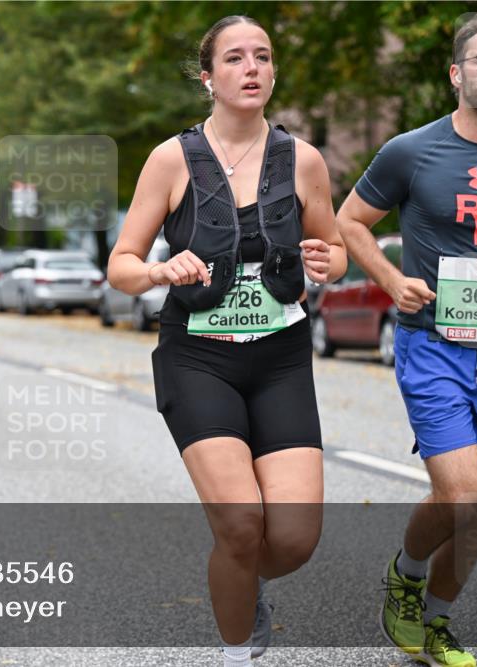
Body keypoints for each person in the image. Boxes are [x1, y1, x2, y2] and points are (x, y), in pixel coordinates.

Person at [106, 15, 347, 667]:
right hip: (198, 356)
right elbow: (121, 264)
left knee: (292, 540)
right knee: (241, 525)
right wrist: (159, 271)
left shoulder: (303, 160)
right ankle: (238, 644)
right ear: (208, 77)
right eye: (235, 57)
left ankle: (240, 576)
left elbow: (334, 248)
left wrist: (328, 261)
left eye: (262, 56)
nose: (252, 68)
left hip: (281, 357)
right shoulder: (171, 159)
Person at [337, 11, 477, 667]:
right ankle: (407, 572)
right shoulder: (411, 151)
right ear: (455, 74)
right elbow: (350, 221)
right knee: (464, 490)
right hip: (434, 346)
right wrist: (392, 280)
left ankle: (436, 623)